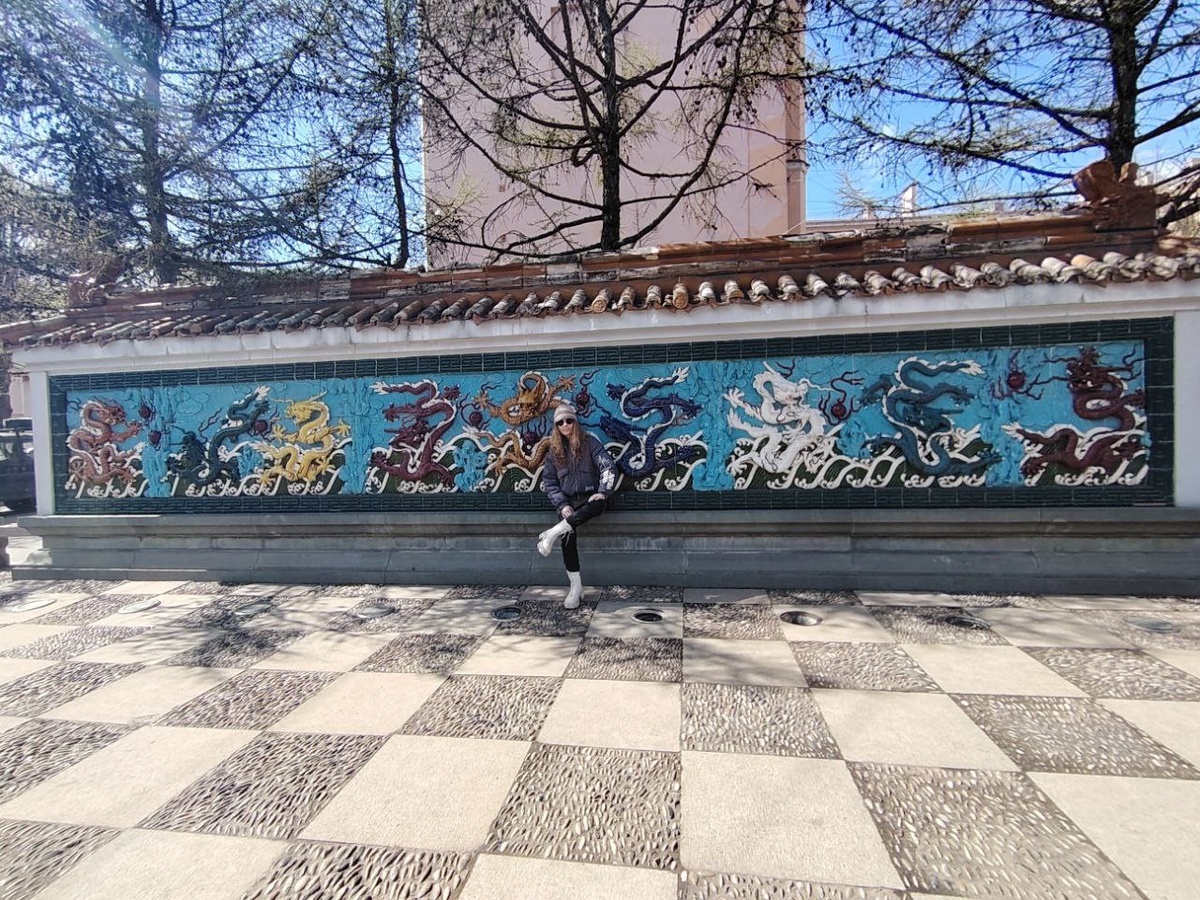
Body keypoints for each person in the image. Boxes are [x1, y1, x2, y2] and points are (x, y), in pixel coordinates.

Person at [536, 403, 617, 608]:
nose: (565, 425)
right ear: (556, 426)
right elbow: (550, 482)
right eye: (560, 422)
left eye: (569, 420)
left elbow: (608, 466)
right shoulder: (553, 451)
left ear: (575, 422)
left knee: (597, 504)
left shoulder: (590, 443)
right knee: (568, 538)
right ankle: (575, 586)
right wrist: (562, 505)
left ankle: (552, 533)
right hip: (569, 502)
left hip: (590, 498)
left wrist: (602, 491)